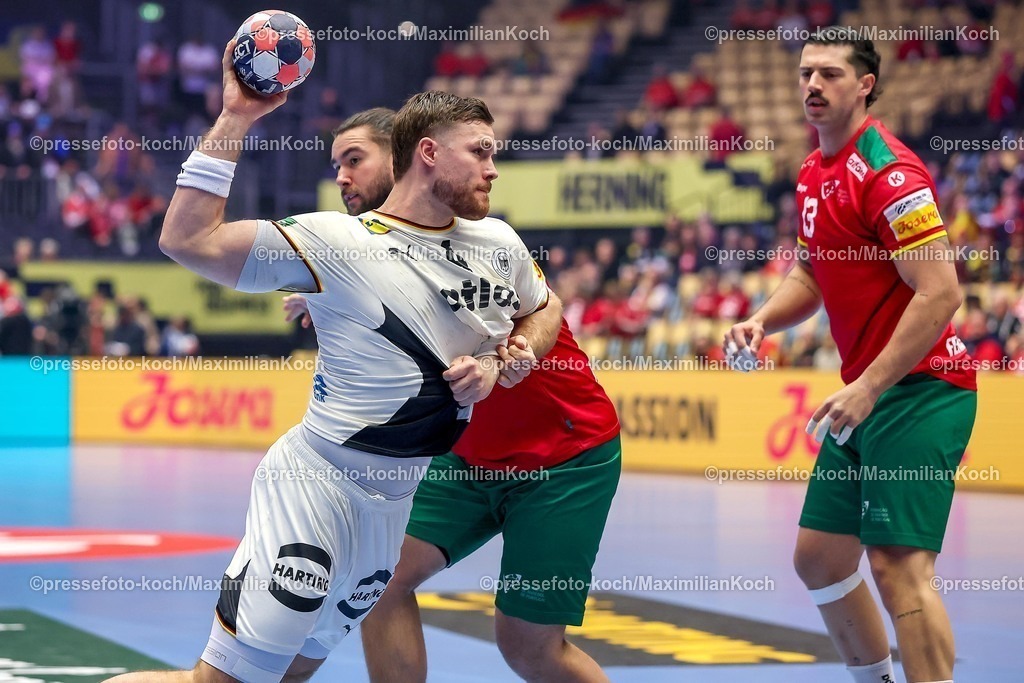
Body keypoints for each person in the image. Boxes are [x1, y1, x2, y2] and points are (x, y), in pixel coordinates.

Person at [106, 41, 559, 683]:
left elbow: (544, 309)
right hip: (316, 487)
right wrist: (236, 118)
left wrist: (507, 356)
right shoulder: (339, 241)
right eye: (480, 151)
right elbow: (187, 240)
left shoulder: (501, 241)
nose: (494, 168)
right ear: (429, 152)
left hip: (393, 505)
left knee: (289, 676)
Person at [284, 108, 622, 682]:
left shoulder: (483, 241)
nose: (342, 177)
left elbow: (546, 305)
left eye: (355, 160)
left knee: (528, 648)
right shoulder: (359, 253)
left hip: (562, 457)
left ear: (407, 160)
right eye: (337, 163)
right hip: (465, 458)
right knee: (379, 580)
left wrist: (503, 358)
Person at [725, 29, 977, 683]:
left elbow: (942, 290)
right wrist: (761, 320)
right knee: (820, 556)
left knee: (898, 566)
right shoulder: (813, 172)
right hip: (866, 393)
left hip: (921, 388)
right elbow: (811, 274)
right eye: (806, 73)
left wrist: (868, 386)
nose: (812, 85)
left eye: (830, 74)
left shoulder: (890, 174)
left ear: (864, 85)